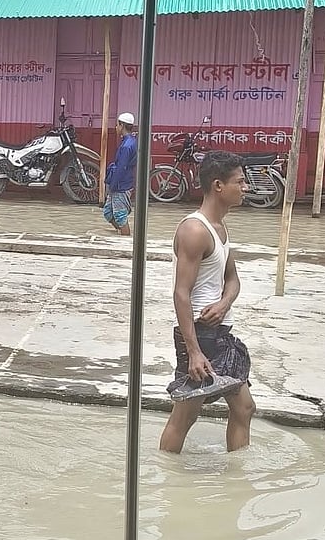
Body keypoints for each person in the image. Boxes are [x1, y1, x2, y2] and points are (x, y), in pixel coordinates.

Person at [160, 150, 256, 455]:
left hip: (219, 334)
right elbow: (181, 293)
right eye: (239, 182)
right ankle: (167, 478)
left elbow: (233, 280)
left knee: (243, 408)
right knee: (186, 415)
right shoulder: (194, 230)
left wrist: (224, 303)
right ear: (218, 185)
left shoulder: (220, 229)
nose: (245, 188)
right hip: (199, 335)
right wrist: (193, 351)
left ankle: (236, 476)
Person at [102, 112, 138, 237]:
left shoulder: (126, 146)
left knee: (120, 216)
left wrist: (111, 186)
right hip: (121, 182)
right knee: (108, 212)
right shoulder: (130, 142)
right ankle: (121, 233)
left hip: (120, 185)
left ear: (122, 125)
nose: (116, 127)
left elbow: (121, 168)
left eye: (117, 125)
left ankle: (126, 238)